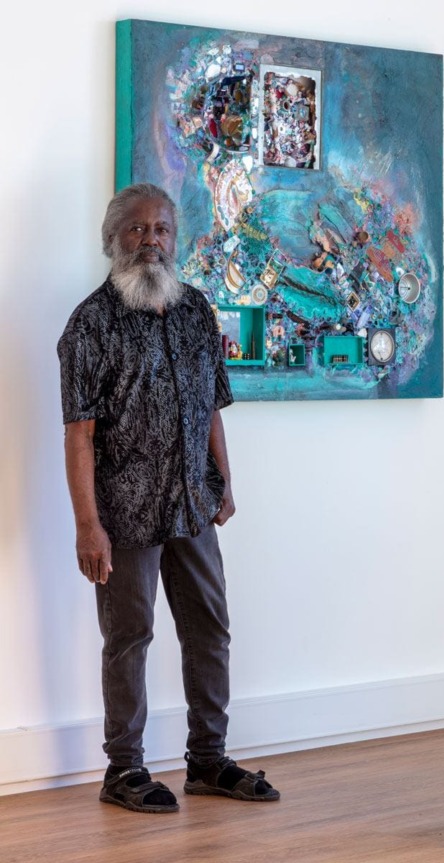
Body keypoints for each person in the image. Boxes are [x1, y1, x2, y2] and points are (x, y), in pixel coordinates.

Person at [57, 183, 279, 813]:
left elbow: (211, 406)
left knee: (210, 628)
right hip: (124, 515)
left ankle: (208, 761)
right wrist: (87, 525)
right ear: (113, 240)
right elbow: (79, 435)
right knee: (129, 636)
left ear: (175, 240)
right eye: (136, 229)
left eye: (161, 229)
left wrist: (223, 480)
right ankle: (123, 770)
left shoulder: (196, 311)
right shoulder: (89, 325)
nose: (150, 240)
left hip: (192, 505)